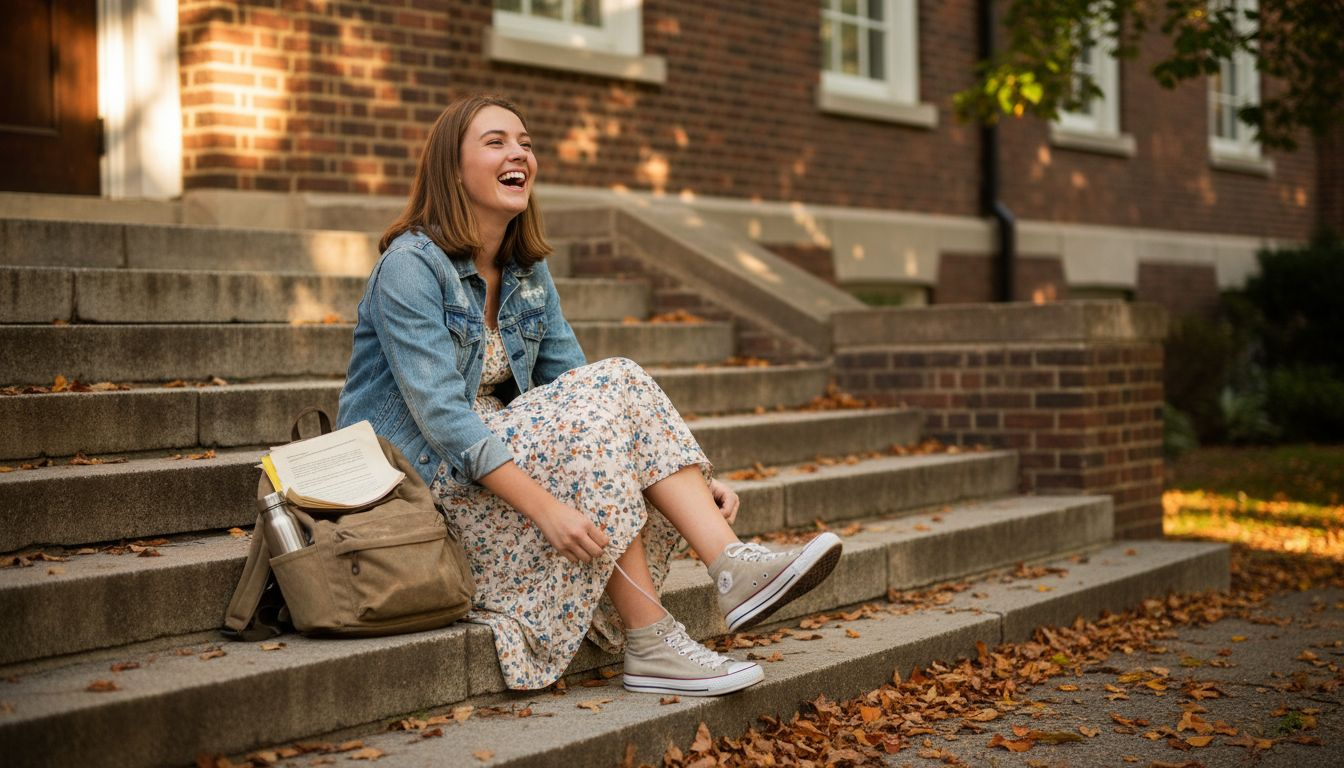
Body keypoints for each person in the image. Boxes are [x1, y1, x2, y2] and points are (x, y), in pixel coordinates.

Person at [337, 94, 842, 696]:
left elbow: (579, 387)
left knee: (613, 383)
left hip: (497, 454)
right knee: (609, 391)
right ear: (451, 169)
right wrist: (547, 509)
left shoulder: (525, 271)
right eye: (495, 141)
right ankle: (666, 625)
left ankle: (721, 571)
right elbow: (443, 418)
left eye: (525, 142)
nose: (518, 152)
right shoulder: (411, 266)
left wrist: (681, 481)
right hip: (422, 479)